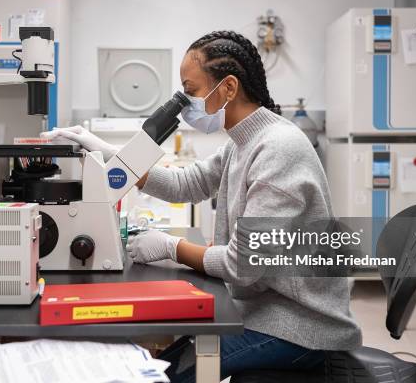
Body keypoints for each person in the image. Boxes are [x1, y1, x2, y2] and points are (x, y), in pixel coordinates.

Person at [42, 30, 361, 382]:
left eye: (191, 91)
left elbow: (242, 266)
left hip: (300, 326)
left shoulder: (277, 150)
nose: (187, 103)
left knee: (166, 375)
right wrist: (105, 151)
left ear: (228, 88)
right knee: (161, 358)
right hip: (262, 308)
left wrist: (172, 247)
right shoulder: (245, 141)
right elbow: (185, 184)